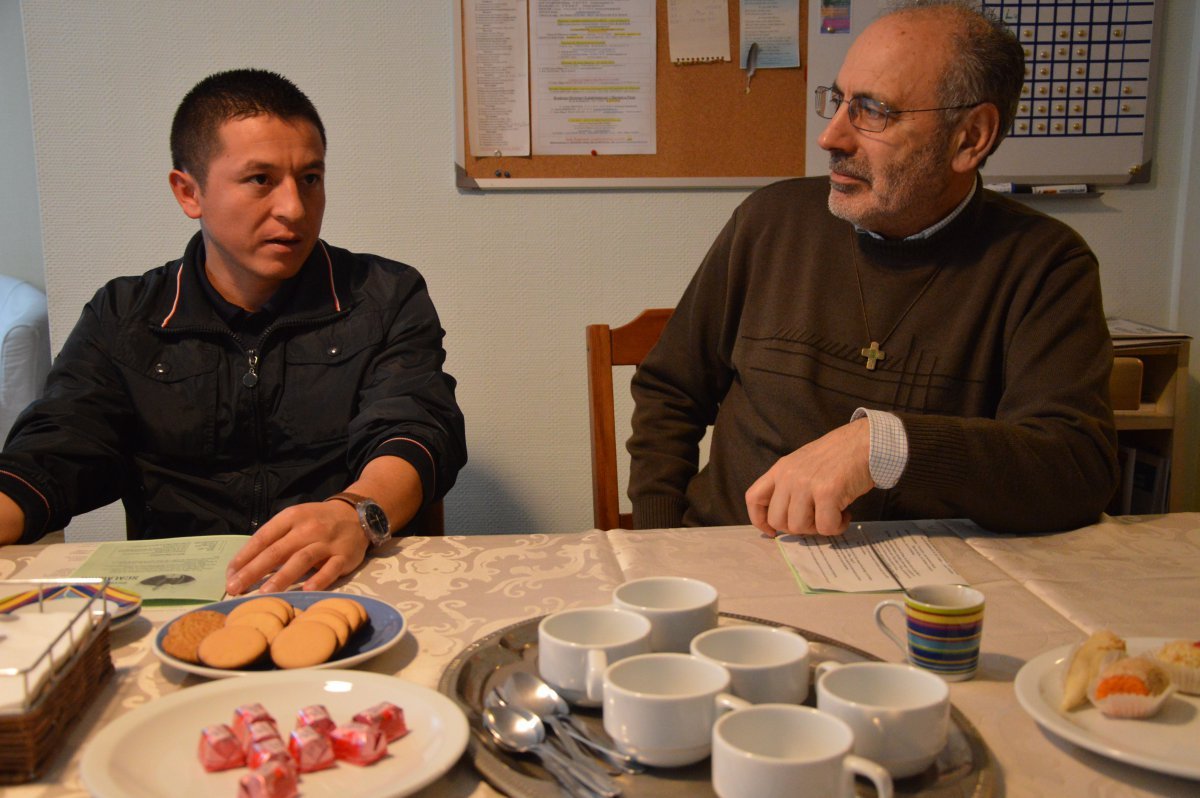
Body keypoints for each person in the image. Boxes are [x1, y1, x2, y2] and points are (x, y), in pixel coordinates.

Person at [628, 0, 1118, 537]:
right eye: (838, 102)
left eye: (873, 110)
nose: (831, 138)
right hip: (734, 552)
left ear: (971, 137)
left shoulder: (1045, 264)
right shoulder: (769, 221)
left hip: (923, 584)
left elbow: (1076, 468)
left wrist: (887, 445)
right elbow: (669, 390)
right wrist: (660, 540)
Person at [0, 69, 467, 594]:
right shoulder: (125, 314)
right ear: (188, 192)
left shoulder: (384, 295)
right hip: (174, 595)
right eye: (261, 180)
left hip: (343, 581)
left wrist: (354, 513)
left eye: (310, 178)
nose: (294, 208)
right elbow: (59, 448)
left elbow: (415, 426)